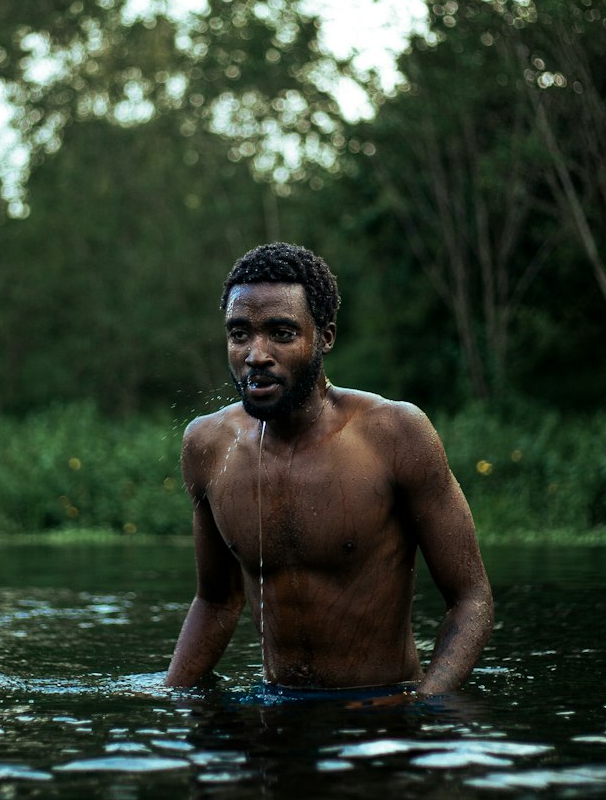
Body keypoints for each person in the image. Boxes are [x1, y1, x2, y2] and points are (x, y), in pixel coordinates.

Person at [164, 242, 493, 698]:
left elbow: (472, 599)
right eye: (240, 334)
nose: (256, 354)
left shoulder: (394, 433)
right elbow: (217, 601)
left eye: (280, 333)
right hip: (275, 717)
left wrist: (421, 706)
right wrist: (167, 700)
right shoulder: (207, 444)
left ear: (325, 337)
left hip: (380, 724)